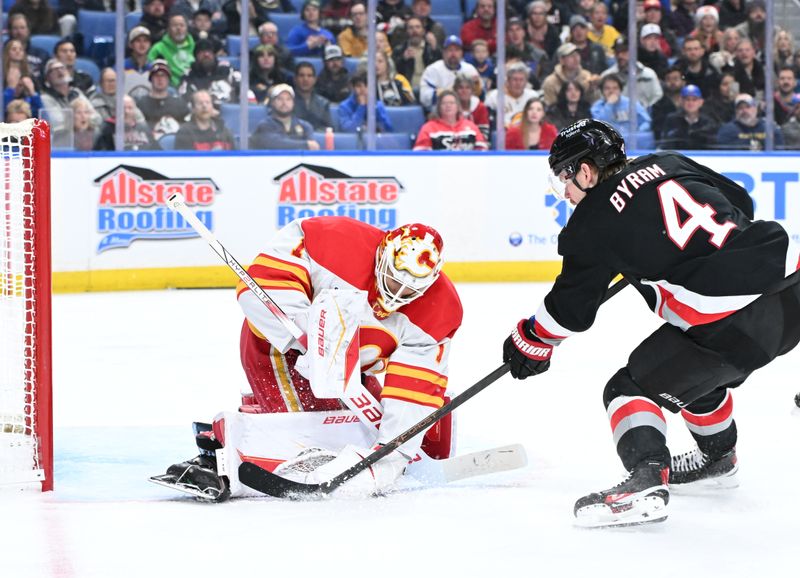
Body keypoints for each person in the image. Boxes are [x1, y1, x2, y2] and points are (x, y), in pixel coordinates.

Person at [502, 118, 800, 527]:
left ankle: (645, 477)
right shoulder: (668, 161)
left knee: (628, 390)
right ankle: (717, 458)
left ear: (586, 171)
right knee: (691, 375)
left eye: (565, 180)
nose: (567, 193)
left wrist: (530, 338)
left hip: (731, 324)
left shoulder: (591, 221)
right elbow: (740, 202)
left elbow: (571, 309)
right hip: (788, 286)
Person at [160, 217, 462, 500]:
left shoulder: (439, 310)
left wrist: (394, 452)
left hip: (351, 371)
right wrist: (305, 338)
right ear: (382, 254)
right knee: (312, 432)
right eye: (394, 280)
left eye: (411, 289)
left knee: (362, 432)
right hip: (279, 350)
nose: (397, 294)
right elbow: (262, 286)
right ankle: (222, 449)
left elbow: (414, 387)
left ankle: (245, 428)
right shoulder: (329, 240)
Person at [249, 83, 320, 150]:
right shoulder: (264, 125)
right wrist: (305, 144)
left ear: (293, 102)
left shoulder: (305, 126)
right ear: (273, 102)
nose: (284, 103)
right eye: (280, 99)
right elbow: (275, 144)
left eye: (288, 99)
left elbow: (313, 146)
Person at [419, 35, 479, 112]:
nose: (453, 54)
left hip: (466, 112)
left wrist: (477, 85)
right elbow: (424, 97)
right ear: (444, 53)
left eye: (457, 50)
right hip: (440, 113)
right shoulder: (432, 70)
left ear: (461, 53)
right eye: (450, 50)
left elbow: (479, 95)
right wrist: (441, 94)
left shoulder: (470, 69)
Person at [413, 89, 488, 151]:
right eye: (444, 103)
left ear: (458, 107)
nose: (448, 106)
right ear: (439, 107)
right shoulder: (428, 128)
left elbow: (482, 149)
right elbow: (421, 155)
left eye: (451, 103)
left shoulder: (471, 126)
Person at [601, 37, 662, 110]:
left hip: (644, 116)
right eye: (617, 52)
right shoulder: (607, 76)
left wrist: (643, 111)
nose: (620, 56)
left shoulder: (648, 74)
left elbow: (657, 97)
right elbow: (601, 102)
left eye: (624, 52)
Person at [136, 60, 190, 140]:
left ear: (168, 79)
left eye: (163, 76)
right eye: (156, 76)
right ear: (151, 79)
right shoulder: (141, 104)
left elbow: (187, 130)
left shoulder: (179, 104)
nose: (160, 79)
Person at [178, 38, 240, 106]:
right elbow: (184, 99)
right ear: (196, 57)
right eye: (202, 52)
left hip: (229, 111)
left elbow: (242, 88)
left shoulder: (227, 69)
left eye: (209, 51)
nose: (206, 54)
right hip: (202, 112)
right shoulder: (188, 75)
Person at [660, 84, 718, 150]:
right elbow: (666, 143)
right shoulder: (672, 119)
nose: (690, 103)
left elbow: (712, 145)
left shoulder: (708, 122)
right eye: (687, 99)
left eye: (694, 99)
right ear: (681, 101)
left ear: (701, 102)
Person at [716, 93, 783, 150]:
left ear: (755, 109)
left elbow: (780, 154)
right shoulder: (727, 131)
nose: (744, 111)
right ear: (736, 111)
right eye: (740, 108)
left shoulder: (770, 129)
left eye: (748, 107)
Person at [392, 15, 441, 92]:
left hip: (429, 89)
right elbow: (393, 72)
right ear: (407, 31)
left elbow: (439, 69)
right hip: (407, 90)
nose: (414, 31)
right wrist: (403, 59)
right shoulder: (399, 50)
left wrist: (434, 50)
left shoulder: (431, 49)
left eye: (417, 27)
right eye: (411, 28)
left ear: (423, 30)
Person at [94, 95, 160, 151]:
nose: (126, 111)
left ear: (135, 110)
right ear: (115, 110)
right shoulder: (107, 128)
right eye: (122, 108)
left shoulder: (143, 127)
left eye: (130, 108)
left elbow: (157, 150)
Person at [541, 42, 598, 107]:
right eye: (571, 56)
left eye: (577, 55)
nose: (576, 59)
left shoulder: (586, 75)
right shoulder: (550, 82)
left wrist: (593, 89)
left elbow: (592, 102)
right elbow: (550, 106)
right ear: (562, 60)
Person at [485, 61, 541, 128]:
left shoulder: (533, 96)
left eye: (521, 80)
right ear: (508, 81)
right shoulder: (494, 96)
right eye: (515, 79)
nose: (518, 83)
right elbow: (487, 119)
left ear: (526, 82)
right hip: (502, 133)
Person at [148, 12, 196, 87]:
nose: (178, 28)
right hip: (168, 87)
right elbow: (149, 68)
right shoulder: (158, 48)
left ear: (187, 28)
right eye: (175, 25)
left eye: (182, 25)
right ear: (168, 29)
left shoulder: (195, 46)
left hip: (192, 84)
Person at [292, 61, 333, 131]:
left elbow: (328, 129)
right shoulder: (287, 102)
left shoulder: (323, 103)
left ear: (315, 80)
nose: (305, 79)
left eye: (309, 76)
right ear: (295, 79)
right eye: (301, 75)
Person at [454, 72, 490, 141]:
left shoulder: (480, 107)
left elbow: (484, 134)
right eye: (461, 88)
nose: (464, 91)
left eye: (468, 88)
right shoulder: (450, 107)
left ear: (472, 90)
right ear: (455, 90)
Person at [125, 25, 155, 99]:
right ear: (130, 44)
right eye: (138, 41)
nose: (142, 44)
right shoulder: (121, 67)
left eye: (145, 41)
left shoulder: (154, 67)